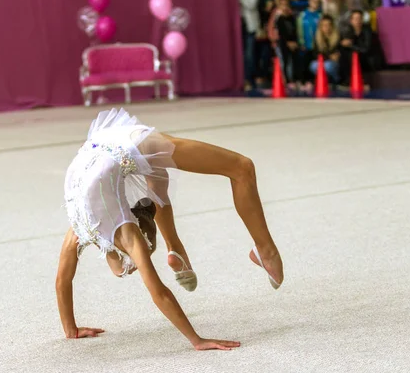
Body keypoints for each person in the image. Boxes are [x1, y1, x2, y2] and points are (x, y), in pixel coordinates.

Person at [56, 108, 284, 350]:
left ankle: (265, 250)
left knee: (241, 167)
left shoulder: (128, 237)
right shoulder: (80, 227)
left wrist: (197, 340)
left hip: (127, 144)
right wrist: (70, 329)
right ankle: (175, 248)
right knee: (157, 176)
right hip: (98, 146)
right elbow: (62, 280)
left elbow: (160, 294)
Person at [338, 10, 372, 89]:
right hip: (352, 57)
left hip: (367, 58)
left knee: (353, 55)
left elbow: (366, 49)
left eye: (360, 18)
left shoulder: (367, 31)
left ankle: (354, 81)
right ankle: (345, 80)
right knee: (343, 54)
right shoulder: (348, 31)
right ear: (351, 21)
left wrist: (351, 45)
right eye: (355, 19)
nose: (358, 21)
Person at [296, 0, 322, 93]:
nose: (315, 3)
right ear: (309, 2)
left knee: (314, 64)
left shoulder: (320, 15)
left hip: (317, 45)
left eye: (317, 2)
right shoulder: (303, 15)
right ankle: (303, 81)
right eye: (313, 1)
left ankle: (313, 81)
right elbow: (299, 29)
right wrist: (301, 42)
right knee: (304, 63)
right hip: (305, 44)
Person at [276, 0, 303, 93]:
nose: (285, 7)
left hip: (294, 43)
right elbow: (281, 33)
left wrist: (295, 42)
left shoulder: (292, 18)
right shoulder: (279, 19)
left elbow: (295, 31)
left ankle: (296, 80)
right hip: (284, 44)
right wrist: (288, 43)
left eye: (286, 5)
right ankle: (287, 81)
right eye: (282, 5)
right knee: (286, 61)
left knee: (296, 62)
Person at [238, 0, 261, 92]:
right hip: (238, 27)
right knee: (240, 55)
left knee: (249, 55)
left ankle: (250, 80)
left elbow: (251, 4)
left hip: (249, 26)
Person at [309, 15, 341, 84]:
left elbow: (337, 54)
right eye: (324, 25)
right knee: (313, 65)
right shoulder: (317, 38)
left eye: (329, 25)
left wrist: (334, 56)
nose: (327, 27)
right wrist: (329, 57)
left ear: (332, 26)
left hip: (334, 64)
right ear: (321, 27)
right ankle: (322, 80)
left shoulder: (337, 37)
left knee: (328, 66)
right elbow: (316, 54)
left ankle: (336, 79)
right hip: (322, 61)